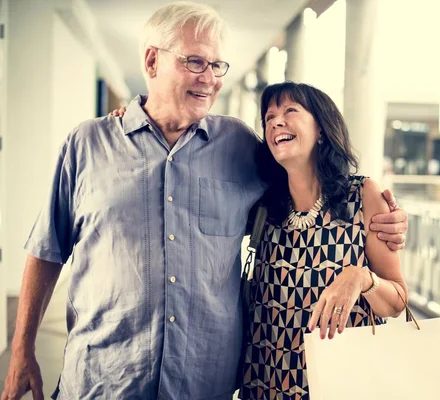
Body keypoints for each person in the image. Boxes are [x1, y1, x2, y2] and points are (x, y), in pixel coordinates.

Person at [1, 3, 408, 400]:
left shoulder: (239, 147)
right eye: (195, 62)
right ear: (151, 62)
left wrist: (388, 221)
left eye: (217, 66)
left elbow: (307, 189)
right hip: (104, 379)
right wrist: (22, 349)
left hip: (205, 382)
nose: (210, 78)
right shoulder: (89, 144)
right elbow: (47, 249)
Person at [238, 82, 408, 399]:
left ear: (321, 129)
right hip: (266, 382)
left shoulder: (363, 195)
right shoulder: (263, 207)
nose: (276, 121)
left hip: (341, 385)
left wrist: (360, 277)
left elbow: (397, 301)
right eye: (269, 116)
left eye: (290, 111)